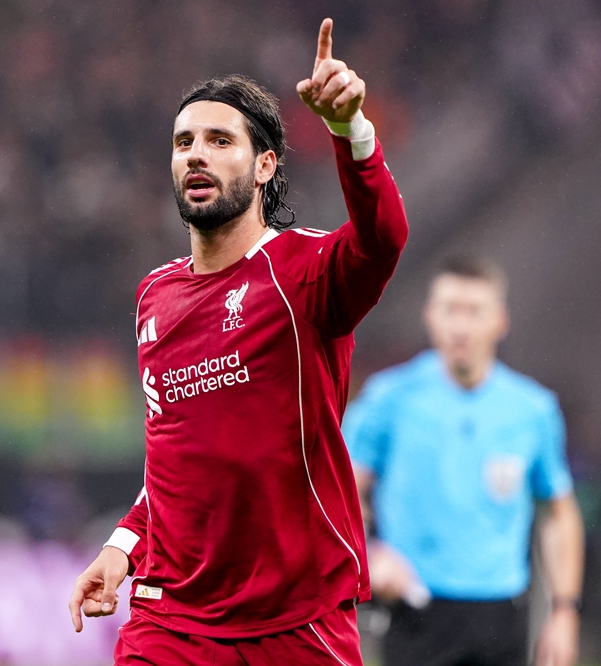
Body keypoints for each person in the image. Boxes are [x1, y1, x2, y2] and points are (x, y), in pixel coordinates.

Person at [68, 18, 409, 665]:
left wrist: (351, 131)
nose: (195, 154)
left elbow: (383, 238)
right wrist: (122, 546)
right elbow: (173, 457)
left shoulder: (305, 271)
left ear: (264, 166)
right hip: (172, 619)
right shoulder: (155, 295)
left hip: (294, 618)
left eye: (220, 140)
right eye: (184, 142)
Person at [343, 256, 584, 666]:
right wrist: (370, 553)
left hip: (502, 613)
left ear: (500, 321)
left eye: (474, 311)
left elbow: (558, 513)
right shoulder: (387, 399)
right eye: (450, 309)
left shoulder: (533, 410)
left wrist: (564, 610)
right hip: (415, 609)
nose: (460, 325)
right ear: (430, 316)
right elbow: (339, 496)